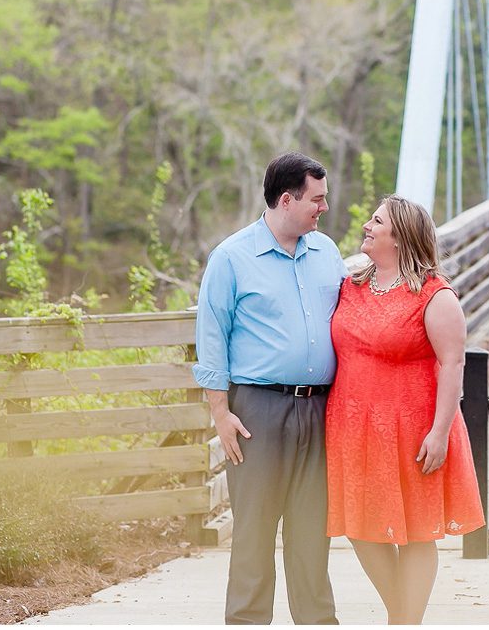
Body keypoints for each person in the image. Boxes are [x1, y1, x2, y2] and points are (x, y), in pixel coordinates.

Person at [193, 151, 348, 625]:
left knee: (311, 534)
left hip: (319, 410)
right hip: (256, 410)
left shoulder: (328, 253)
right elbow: (211, 338)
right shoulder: (231, 257)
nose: (324, 207)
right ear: (287, 199)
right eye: (316, 199)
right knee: (255, 533)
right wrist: (221, 414)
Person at [325, 195, 485, 625]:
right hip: (352, 426)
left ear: (399, 237)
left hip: (414, 427)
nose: (366, 226)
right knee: (360, 526)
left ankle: (403, 621)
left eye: (376, 221)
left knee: (415, 530)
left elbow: (453, 364)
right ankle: (401, 614)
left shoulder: (434, 295)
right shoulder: (350, 285)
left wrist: (440, 431)